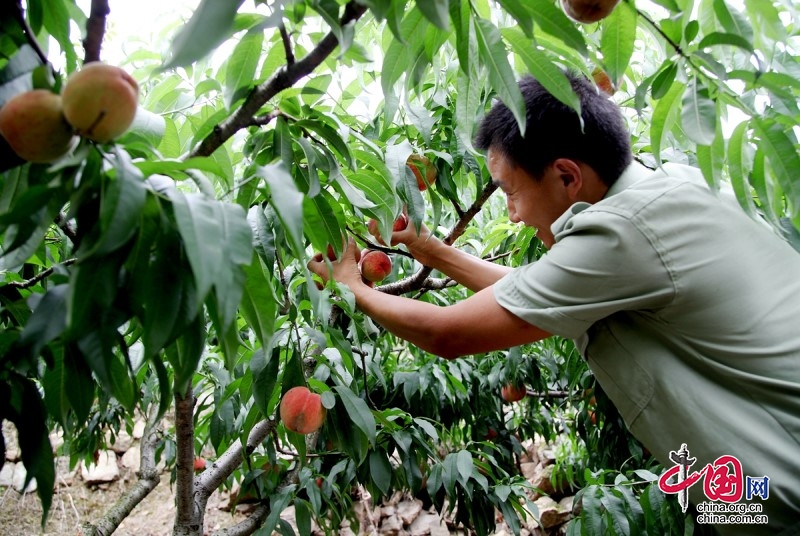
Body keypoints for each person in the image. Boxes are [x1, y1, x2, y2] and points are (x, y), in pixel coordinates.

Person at [308, 72, 800, 535]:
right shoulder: (664, 191)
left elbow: (447, 334)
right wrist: (428, 248)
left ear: (566, 176)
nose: (513, 214)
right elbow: (531, 290)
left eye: (511, 192)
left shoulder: (622, 234)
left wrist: (351, 286)